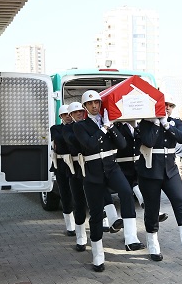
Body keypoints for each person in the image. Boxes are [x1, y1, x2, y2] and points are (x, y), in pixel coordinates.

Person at [73, 90, 144, 272]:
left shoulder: (110, 123)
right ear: (85, 107)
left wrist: (111, 127)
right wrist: (104, 128)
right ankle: (98, 255)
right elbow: (90, 145)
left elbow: (122, 145)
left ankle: (131, 238)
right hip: (93, 173)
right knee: (97, 214)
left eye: (97, 102)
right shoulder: (80, 126)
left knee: (126, 191)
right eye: (90, 104)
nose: (94, 106)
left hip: (112, 168)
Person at [137, 98, 182, 261]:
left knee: (180, 201)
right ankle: (153, 245)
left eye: (170, 106)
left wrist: (166, 125)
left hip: (170, 170)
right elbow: (149, 141)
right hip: (150, 171)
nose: (167, 108)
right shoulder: (146, 123)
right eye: (164, 105)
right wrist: (156, 124)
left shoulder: (175, 122)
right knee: (152, 208)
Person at [62, 102, 90, 251]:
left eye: (81, 111)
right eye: (75, 112)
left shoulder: (89, 124)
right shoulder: (67, 129)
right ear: (71, 115)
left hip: (91, 167)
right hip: (75, 169)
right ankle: (80, 236)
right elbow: (73, 140)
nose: (79, 113)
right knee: (79, 203)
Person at [50, 106, 76, 236]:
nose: (68, 116)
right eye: (65, 114)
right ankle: (70, 226)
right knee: (65, 194)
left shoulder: (78, 126)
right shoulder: (55, 128)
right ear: (60, 116)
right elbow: (59, 140)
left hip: (77, 164)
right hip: (61, 165)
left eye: (69, 114)